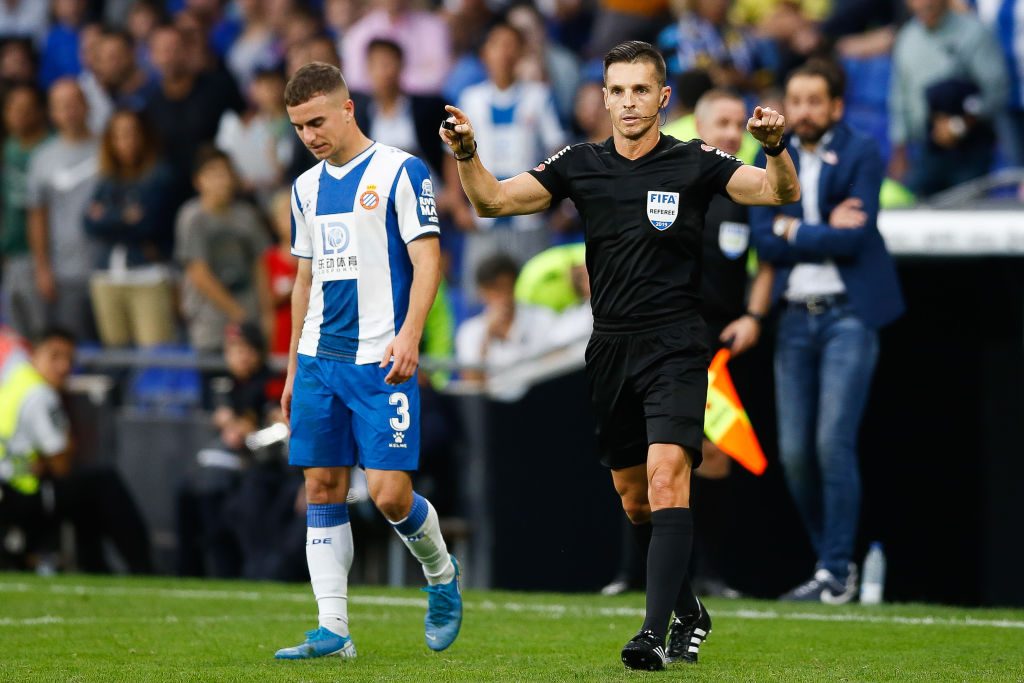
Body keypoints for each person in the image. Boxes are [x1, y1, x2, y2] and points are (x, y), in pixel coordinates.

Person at [441, 40, 799, 671]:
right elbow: (492, 202)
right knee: (635, 498)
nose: (629, 102)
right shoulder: (579, 163)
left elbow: (777, 193)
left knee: (668, 474)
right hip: (609, 346)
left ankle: (652, 634)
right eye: (618, 90)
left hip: (677, 342)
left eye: (641, 90)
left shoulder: (694, 161)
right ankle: (689, 608)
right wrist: (468, 155)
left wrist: (774, 147)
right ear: (603, 98)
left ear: (663, 98)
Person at [275, 61, 462, 660]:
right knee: (322, 484)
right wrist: (290, 367)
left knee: (387, 494)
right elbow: (305, 278)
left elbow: (429, 259)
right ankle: (334, 630)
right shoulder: (305, 188)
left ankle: (440, 572)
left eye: (317, 121)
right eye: (300, 127)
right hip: (318, 359)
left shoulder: (401, 171)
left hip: (382, 359)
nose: (310, 135)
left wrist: (411, 336)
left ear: (348, 107)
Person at [749, 60, 904, 603]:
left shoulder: (860, 150)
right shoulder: (766, 152)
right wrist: (810, 229)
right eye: (797, 99)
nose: (805, 111)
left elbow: (855, 240)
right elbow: (764, 242)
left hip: (849, 314)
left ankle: (835, 571)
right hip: (793, 317)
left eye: (816, 101)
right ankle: (829, 565)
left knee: (831, 443)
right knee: (793, 452)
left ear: (836, 106)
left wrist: (792, 228)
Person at [0, 327, 152, 574]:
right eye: (55, 356)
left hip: (8, 486)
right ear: (34, 354)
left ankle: (94, 564)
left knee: (84, 489)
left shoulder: (13, 380)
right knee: (101, 483)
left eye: (69, 359)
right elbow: (62, 464)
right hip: (22, 491)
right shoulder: (40, 394)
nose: (63, 367)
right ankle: (139, 567)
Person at [888, 0, 1008, 195]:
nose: (922, 4)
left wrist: (960, 124)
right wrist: (899, 151)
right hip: (926, 149)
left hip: (970, 149)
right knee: (917, 211)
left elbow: (996, 90)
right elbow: (899, 96)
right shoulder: (907, 38)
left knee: (968, 215)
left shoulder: (974, 33)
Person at [84, 109, 177, 348]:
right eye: (118, 135)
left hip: (148, 275)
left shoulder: (159, 175)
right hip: (107, 276)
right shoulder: (106, 179)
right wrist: (125, 217)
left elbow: (148, 225)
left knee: (156, 352)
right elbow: (89, 223)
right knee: (116, 355)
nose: (125, 142)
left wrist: (108, 217)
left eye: (131, 133)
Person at [174, 147, 271, 353]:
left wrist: (266, 313)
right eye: (213, 174)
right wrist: (236, 313)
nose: (221, 180)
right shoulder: (192, 218)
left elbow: (261, 265)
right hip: (209, 319)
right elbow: (198, 273)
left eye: (225, 172)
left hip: (249, 309)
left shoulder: (247, 215)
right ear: (198, 180)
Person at [26, 77, 100, 342]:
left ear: (87, 106)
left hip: (107, 266)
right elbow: (37, 216)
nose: (69, 111)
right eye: (61, 105)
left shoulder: (108, 148)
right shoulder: (42, 158)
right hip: (67, 271)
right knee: (76, 345)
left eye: (75, 103)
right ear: (52, 113)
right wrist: (42, 267)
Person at [1, 84, 49, 339]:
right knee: (16, 336)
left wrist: (44, 265)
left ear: (40, 111)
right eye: (12, 109)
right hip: (12, 255)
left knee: (41, 333)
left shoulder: (50, 147)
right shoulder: (8, 148)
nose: (18, 115)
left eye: (26, 109)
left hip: (42, 257)